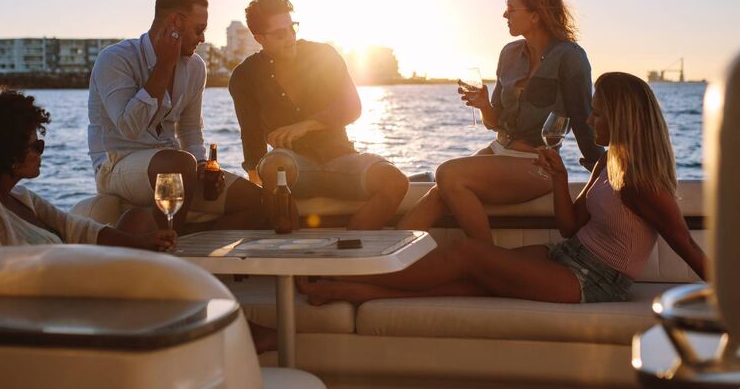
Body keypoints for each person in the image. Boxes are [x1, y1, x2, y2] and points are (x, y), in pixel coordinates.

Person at [299, 72, 706, 305]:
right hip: (568, 255)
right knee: (477, 276)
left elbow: (686, 246)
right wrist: (561, 177)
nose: (589, 117)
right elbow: (568, 226)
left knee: (467, 253)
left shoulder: (641, 185)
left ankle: (348, 287)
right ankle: (357, 290)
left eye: (597, 112)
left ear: (622, 118)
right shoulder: (607, 162)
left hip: (594, 281)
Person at [399, 0, 604, 240]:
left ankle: (487, 262)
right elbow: (496, 122)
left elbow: (584, 121)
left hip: (537, 164)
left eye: (511, 8)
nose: (504, 14)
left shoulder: (570, 57)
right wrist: (485, 105)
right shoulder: (509, 53)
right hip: (499, 151)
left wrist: (608, 171)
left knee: (447, 173)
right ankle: (389, 260)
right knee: (440, 192)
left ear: (535, 15)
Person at [88, 0, 268, 232]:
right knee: (179, 164)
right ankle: (169, 249)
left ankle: (191, 240)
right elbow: (130, 128)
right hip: (118, 164)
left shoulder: (195, 67)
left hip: (176, 167)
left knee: (259, 201)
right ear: (174, 22)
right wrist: (164, 65)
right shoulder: (115, 59)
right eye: (199, 29)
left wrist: (204, 167)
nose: (203, 38)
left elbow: (191, 131)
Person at [229, 0, 408, 230]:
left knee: (396, 182)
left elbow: (352, 107)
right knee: (273, 165)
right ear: (259, 38)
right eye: (280, 33)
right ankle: (292, 253)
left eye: (292, 28)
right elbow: (251, 138)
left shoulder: (323, 55)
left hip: (342, 158)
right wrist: (259, 190)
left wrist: (305, 125)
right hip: (292, 169)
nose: (290, 37)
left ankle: (350, 250)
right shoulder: (245, 76)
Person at [0, 86, 174, 250]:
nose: (42, 152)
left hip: (75, 273)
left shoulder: (22, 198)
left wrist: (141, 242)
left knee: (137, 219)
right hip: (50, 294)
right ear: (9, 154)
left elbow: (75, 228)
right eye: (37, 146)